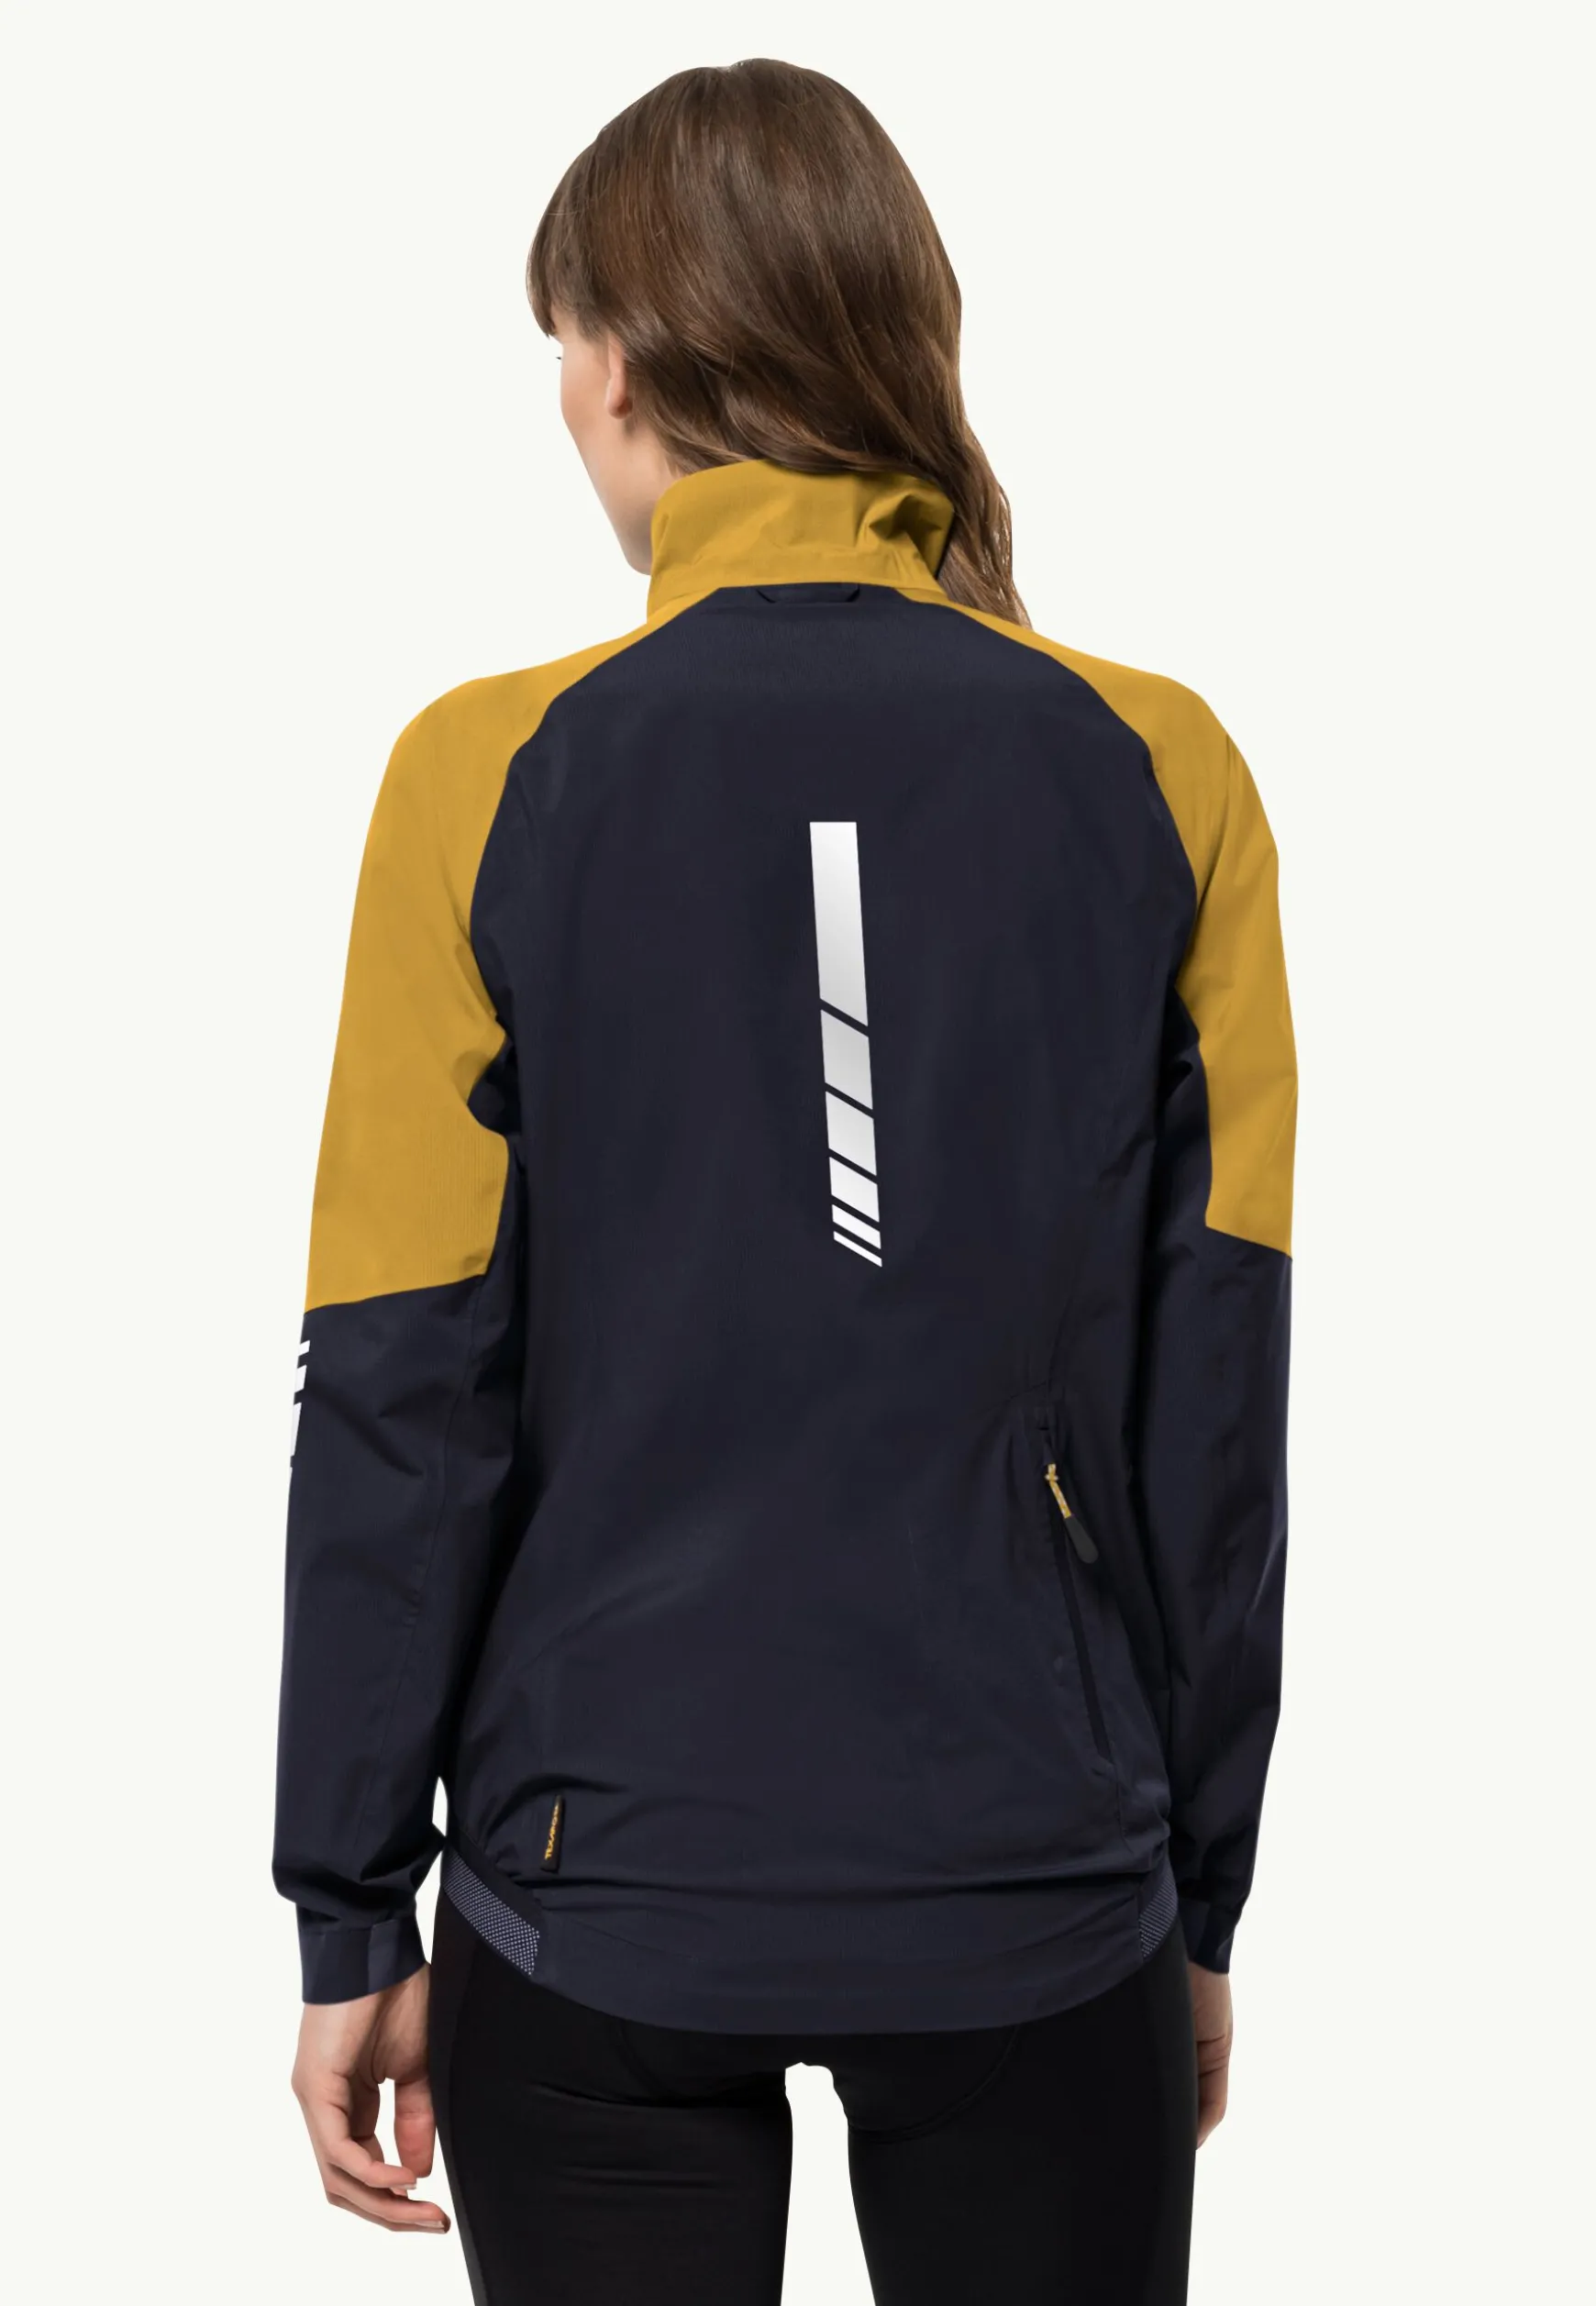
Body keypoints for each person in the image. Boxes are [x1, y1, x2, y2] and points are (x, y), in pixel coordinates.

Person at [274, 57, 1295, 2306]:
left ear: (629, 367)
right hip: (1038, 1889)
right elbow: (1213, 1406)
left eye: (563, 342)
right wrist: (1200, 1898)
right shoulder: (1161, 767)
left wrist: (351, 1904)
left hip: (591, 1887)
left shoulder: (478, 777)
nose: (564, 399)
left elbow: (402, 1389)